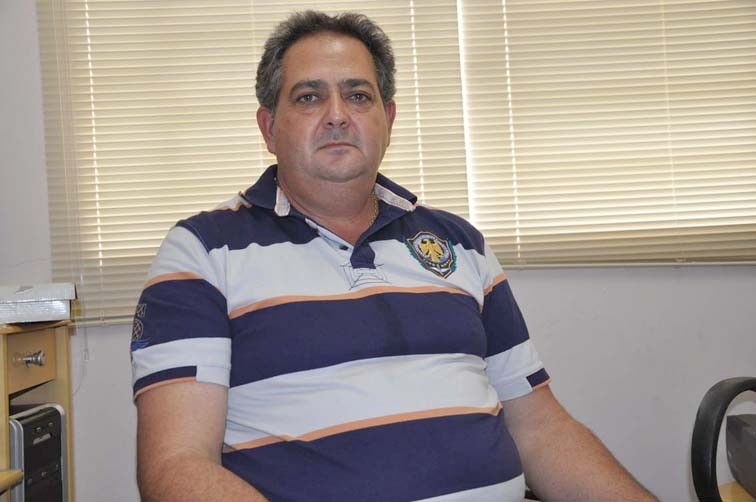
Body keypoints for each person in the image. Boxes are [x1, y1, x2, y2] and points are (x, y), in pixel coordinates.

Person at [131, 10, 657, 502]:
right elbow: (176, 465)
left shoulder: (460, 244)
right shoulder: (202, 253)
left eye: (358, 96)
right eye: (309, 97)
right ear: (269, 127)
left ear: (387, 117)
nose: (337, 116)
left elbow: (540, 429)